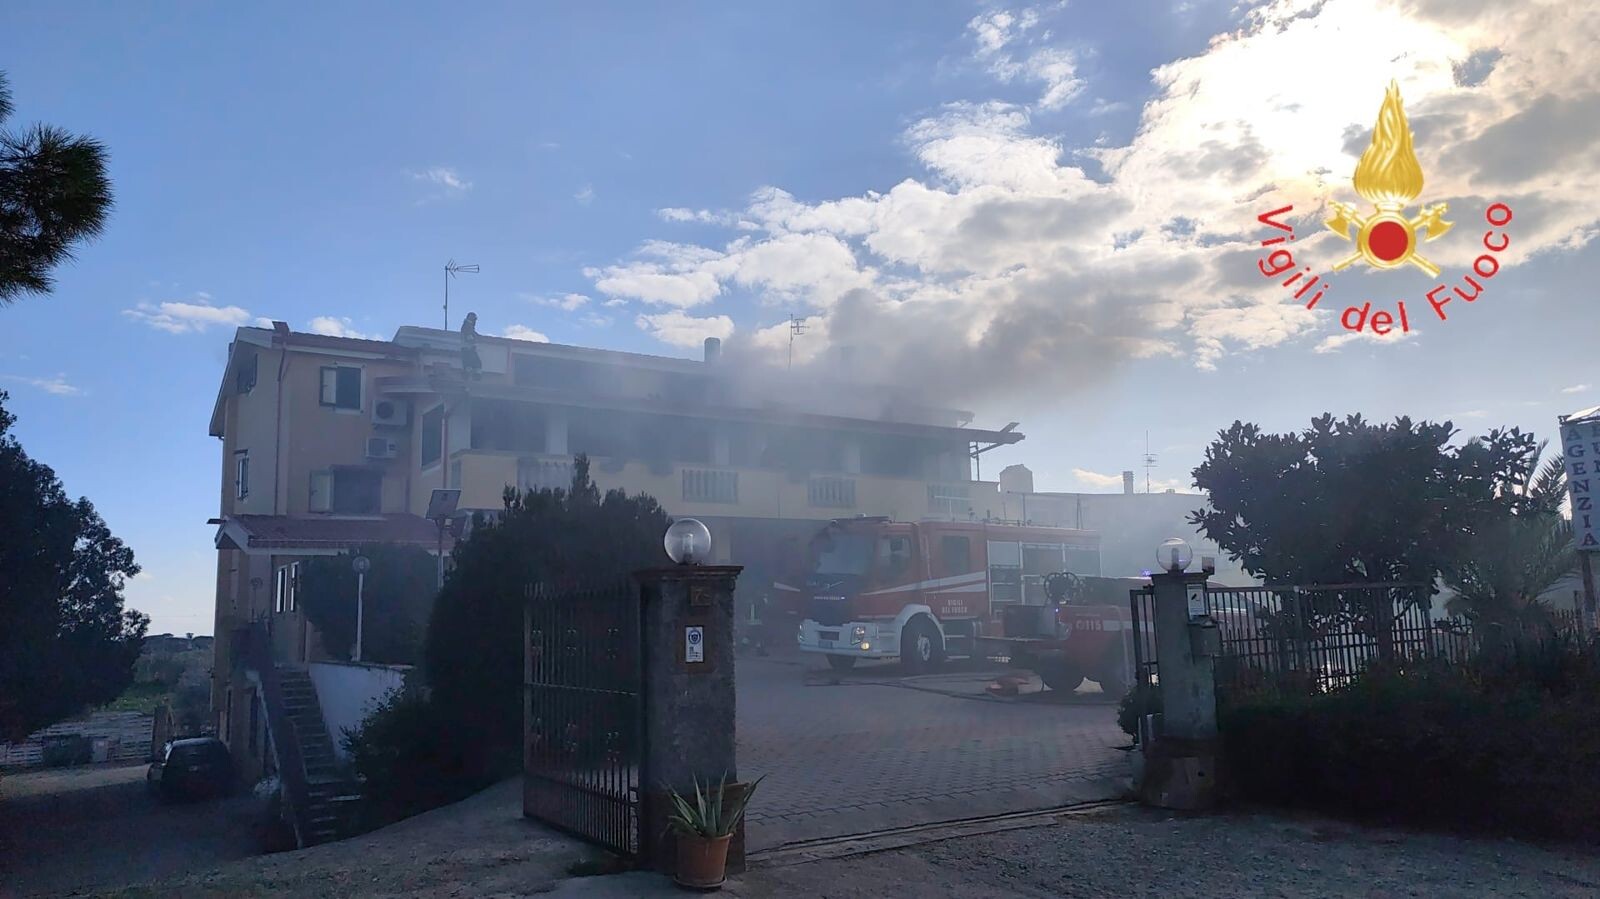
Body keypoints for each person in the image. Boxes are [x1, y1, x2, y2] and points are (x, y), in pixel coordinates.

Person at [460, 312, 483, 379]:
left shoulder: (468, 325)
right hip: (468, 348)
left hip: (466, 348)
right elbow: (469, 336)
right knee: (476, 363)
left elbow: (471, 333)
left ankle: (469, 376)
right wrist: (473, 344)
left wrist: (477, 336)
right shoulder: (468, 325)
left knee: (469, 364)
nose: (475, 321)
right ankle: (475, 377)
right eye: (474, 319)